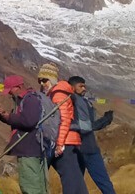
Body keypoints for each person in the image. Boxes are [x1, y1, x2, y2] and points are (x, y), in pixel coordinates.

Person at [0, 75, 47, 194]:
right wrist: (2, 117)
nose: (9, 94)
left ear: (18, 87)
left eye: (10, 90)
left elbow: (29, 121)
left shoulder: (30, 99)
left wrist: (8, 116)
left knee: (30, 187)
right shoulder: (22, 101)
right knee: (36, 186)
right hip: (30, 149)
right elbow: (18, 121)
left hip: (29, 149)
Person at [42, 64, 88, 194]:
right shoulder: (61, 92)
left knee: (71, 183)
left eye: (45, 80)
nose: (42, 83)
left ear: (52, 79)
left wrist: (60, 143)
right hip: (71, 142)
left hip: (66, 143)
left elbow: (64, 119)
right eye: (40, 80)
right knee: (75, 181)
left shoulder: (57, 95)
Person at [66, 77, 115, 194]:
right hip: (85, 147)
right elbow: (84, 126)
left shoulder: (79, 101)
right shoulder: (74, 102)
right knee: (103, 181)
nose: (84, 89)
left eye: (84, 86)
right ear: (72, 87)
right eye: (80, 86)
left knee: (76, 184)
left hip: (78, 148)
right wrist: (104, 121)